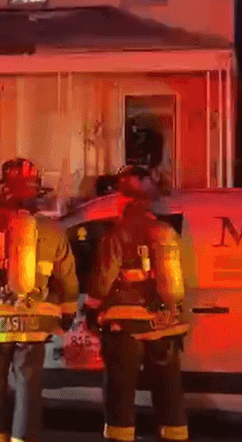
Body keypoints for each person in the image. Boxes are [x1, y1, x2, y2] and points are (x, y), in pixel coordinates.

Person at [0, 158, 78, 442]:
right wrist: (67, 315)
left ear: (5, 190)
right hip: (32, 323)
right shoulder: (51, 231)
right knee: (28, 388)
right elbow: (69, 281)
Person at [83, 165, 190, 442]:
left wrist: (91, 310)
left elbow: (101, 283)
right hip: (167, 326)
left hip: (126, 327)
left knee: (121, 393)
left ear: (123, 200)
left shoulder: (117, 234)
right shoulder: (168, 233)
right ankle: (175, 436)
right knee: (169, 393)